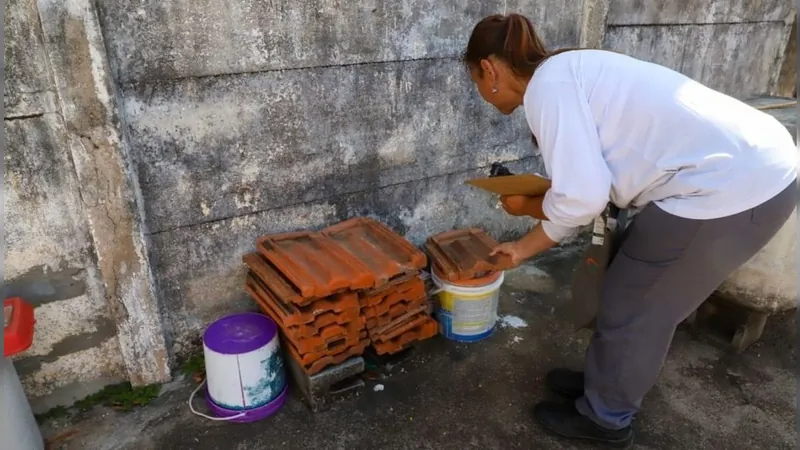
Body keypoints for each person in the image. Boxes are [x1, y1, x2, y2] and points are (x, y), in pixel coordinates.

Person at [464, 13, 798, 448]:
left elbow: (582, 197)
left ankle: (606, 419)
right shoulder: (564, 71)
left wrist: (526, 227)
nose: (480, 91)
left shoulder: (549, 88)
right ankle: (605, 385)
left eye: (474, 78)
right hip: (744, 169)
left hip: (730, 190)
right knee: (626, 287)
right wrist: (530, 219)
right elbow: (593, 184)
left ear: (489, 70)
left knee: (637, 306)